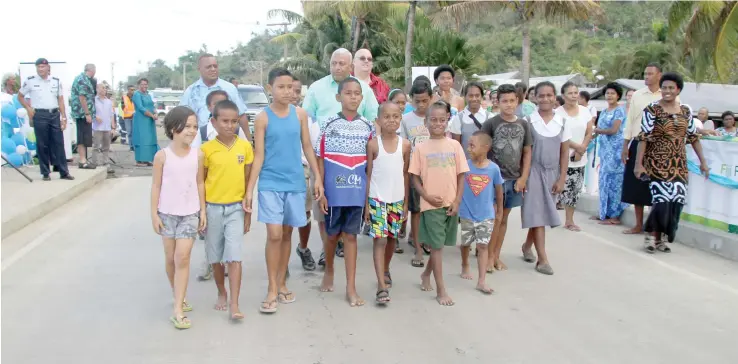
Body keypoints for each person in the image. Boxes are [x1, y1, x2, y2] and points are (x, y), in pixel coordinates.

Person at [245, 68, 323, 313]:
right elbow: (258, 157)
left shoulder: (300, 115)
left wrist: (318, 178)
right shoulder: (262, 119)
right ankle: (271, 288)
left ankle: (281, 283)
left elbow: (308, 148)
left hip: (295, 183)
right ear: (270, 88)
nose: (287, 91)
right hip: (270, 183)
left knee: (287, 233)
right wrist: (249, 189)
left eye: (291, 87)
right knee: (275, 234)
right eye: (281, 87)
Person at [302, 48, 379, 263]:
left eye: (342, 63)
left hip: (355, 160)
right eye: (334, 63)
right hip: (323, 159)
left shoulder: (363, 89)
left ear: (350, 66)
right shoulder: (317, 88)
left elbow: (374, 121)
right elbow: (306, 122)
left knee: (350, 208)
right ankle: (328, 248)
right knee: (323, 209)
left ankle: (343, 245)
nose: (337, 67)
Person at [314, 77, 373, 307]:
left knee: (350, 236)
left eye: (357, 93)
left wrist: (367, 198)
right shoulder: (329, 124)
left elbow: (370, 165)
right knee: (331, 235)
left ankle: (351, 287)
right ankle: (329, 269)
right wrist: (321, 189)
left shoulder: (368, 127)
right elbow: (320, 158)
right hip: (333, 191)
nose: (353, 97)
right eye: (348, 93)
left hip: (356, 193)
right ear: (339, 97)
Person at [634, 72, 709, 253]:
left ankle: (661, 238)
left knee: (675, 201)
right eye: (664, 88)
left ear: (678, 90)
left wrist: (703, 162)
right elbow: (643, 137)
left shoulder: (685, 111)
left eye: (671, 88)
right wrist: (639, 163)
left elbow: (693, 137)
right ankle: (651, 237)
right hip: (657, 162)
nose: (666, 91)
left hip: (679, 164)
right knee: (661, 201)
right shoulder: (652, 109)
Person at [150, 106, 204, 330]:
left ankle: (178, 309)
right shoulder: (162, 156)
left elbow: (200, 182)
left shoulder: (198, 154)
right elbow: (156, 185)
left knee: (183, 257)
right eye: (187, 126)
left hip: (190, 213)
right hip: (167, 214)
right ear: (174, 129)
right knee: (171, 258)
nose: (192, 131)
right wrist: (154, 214)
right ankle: (178, 294)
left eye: (194, 126)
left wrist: (203, 211)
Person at [410, 101, 469, 306]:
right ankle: (441, 289)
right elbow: (415, 178)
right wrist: (425, 196)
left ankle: (426, 274)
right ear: (426, 122)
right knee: (436, 247)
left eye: (442, 120)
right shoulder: (420, 148)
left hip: (451, 203)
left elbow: (461, 175)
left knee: (440, 244)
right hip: (431, 205)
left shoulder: (455, 145)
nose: (437, 123)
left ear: (447, 121)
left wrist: (458, 200)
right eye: (433, 120)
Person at [201, 99, 254, 320]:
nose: (230, 126)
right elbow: (200, 182)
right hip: (212, 209)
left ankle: (234, 302)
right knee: (215, 258)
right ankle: (221, 291)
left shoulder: (245, 147)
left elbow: (248, 180)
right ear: (213, 122)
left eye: (234, 121)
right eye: (224, 121)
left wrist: (247, 212)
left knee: (234, 257)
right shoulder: (205, 150)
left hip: (235, 208)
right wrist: (201, 213)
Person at [190, 90, 246, 281]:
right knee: (212, 242)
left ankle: (229, 264)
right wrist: (201, 207)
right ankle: (211, 263)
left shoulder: (239, 137)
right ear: (210, 110)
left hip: (234, 203)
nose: (229, 124)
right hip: (212, 203)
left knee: (233, 248)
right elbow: (199, 173)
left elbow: (246, 166)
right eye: (217, 104)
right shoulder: (204, 134)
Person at [520, 81, 570, 275]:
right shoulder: (528, 121)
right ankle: (542, 259)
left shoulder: (563, 122)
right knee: (537, 214)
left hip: (552, 174)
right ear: (534, 97)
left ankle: (527, 246)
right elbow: (525, 152)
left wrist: (562, 178)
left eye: (549, 95)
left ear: (555, 97)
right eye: (541, 95)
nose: (545, 99)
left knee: (541, 213)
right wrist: (523, 177)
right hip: (533, 172)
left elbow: (564, 153)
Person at [481, 84, 532, 272]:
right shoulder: (491, 124)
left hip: (514, 180)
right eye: (504, 101)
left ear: (517, 101)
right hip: (494, 181)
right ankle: (486, 257)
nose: (509, 105)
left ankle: (495, 256)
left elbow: (527, 152)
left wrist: (523, 177)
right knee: (494, 218)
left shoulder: (524, 124)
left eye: (512, 101)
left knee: (504, 219)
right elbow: (482, 150)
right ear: (498, 102)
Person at [365, 102, 411, 304]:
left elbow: (406, 175)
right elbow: (368, 175)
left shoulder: (406, 145)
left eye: (395, 116)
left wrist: (406, 203)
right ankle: (381, 286)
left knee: (392, 239)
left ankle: (385, 268)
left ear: (400, 119)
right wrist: (366, 204)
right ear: (378, 121)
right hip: (377, 198)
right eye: (387, 117)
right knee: (380, 239)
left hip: (397, 199)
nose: (391, 120)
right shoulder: (373, 145)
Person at [620, 63, 663, 235]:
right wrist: (626, 145)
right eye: (645, 73)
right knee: (636, 184)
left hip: (659, 146)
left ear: (659, 75)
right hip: (638, 142)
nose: (646, 76)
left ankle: (654, 227)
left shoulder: (667, 95)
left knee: (657, 186)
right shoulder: (637, 95)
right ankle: (638, 224)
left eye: (650, 74)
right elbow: (630, 121)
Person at [459, 131, 503, 292]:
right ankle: (464, 264)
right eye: (468, 145)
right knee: (465, 243)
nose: (468, 148)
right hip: (466, 213)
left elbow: (499, 191)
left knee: (482, 245)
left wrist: (499, 212)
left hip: (486, 215)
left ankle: (481, 280)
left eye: (472, 145)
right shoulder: (465, 166)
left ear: (485, 148)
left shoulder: (493, 169)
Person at [17, 58, 74, 181]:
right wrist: (28, 107)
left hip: (54, 114)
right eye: (38, 67)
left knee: (59, 143)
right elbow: (20, 96)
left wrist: (63, 117)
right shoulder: (30, 81)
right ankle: (45, 173)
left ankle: (64, 172)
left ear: (48, 68)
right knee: (42, 144)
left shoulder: (56, 81)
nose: (40, 69)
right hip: (40, 115)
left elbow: (60, 100)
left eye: (42, 67)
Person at [180, 54, 250, 141]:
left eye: (215, 66)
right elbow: (181, 119)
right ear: (199, 69)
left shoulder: (230, 89)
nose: (213, 69)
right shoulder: (191, 91)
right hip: (198, 141)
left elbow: (242, 116)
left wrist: (249, 141)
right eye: (208, 67)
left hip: (227, 141)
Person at [401, 79, 433, 268]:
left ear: (430, 98)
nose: (421, 105)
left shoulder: (436, 116)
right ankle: (418, 249)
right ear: (411, 100)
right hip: (415, 170)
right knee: (417, 210)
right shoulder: (406, 120)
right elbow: (405, 147)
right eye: (417, 101)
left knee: (431, 208)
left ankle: (428, 239)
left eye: (424, 101)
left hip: (434, 171)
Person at [556, 82, 593, 232]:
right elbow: (558, 134)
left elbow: (589, 131)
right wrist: (576, 147)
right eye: (570, 93)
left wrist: (582, 147)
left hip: (580, 157)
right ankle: (547, 217)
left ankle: (569, 220)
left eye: (575, 92)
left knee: (574, 190)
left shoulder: (585, 111)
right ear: (563, 95)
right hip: (562, 156)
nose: (573, 96)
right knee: (558, 187)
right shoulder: (558, 113)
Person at [295, 76, 322, 271]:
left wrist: (317, 176)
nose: (291, 94)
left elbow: (312, 149)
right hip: (279, 173)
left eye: (296, 90)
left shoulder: (308, 118)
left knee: (304, 214)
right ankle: (279, 262)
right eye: (285, 88)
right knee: (280, 222)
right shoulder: (266, 117)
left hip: (303, 170)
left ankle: (303, 248)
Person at [591, 82, 628, 225]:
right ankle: (604, 213)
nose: (609, 96)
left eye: (612, 93)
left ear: (618, 95)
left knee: (615, 184)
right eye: (607, 93)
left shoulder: (620, 111)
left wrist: (597, 130)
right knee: (604, 181)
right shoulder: (605, 111)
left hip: (616, 152)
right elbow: (598, 129)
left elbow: (614, 130)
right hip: (605, 152)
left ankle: (615, 216)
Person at [449, 82, 491, 159]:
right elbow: (457, 146)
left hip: (486, 165)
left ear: (482, 97)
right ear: (465, 97)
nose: (474, 99)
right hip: (466, 165)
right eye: (470, 96)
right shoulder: (459, 118)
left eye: (477, 95)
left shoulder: (490, 117)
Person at [70, 64, 97, 169]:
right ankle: (82, 160)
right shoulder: (82, 80)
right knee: (82, 136)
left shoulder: (86, 79)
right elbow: (82, 98)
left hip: (84, 113)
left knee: (86, 137)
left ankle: (84, 159)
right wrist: (87, 113)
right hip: (82, 113)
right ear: (92, 70)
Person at [131, 78, 160, 166]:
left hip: (149, 121)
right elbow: (140, 107)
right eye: (142, 84)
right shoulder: (136, 94)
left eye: (146, 84)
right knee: (142, 139)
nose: (144, 86)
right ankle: (139, 160)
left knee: (149, 139)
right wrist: (151, 115)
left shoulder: (148, 95)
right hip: (141, 120)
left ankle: (147, 159)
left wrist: (155, 112)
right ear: (139, 85)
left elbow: (152, 105)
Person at [92, 83, 116, 174]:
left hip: (107, 127)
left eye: (105, 88)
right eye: (101, 88)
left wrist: (113, 127)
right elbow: (91, 112)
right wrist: (95, 117)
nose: (103, 90)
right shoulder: (94, 100)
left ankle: (105, 163)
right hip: (97, 127)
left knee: (106, 147)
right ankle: (95, 163)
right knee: (96, 146)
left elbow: (111, 115)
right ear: (97, 89)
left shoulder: (109, 102)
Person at [121, 85, 136, 150]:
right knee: (129, 132)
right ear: (128, 90)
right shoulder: (124, 97)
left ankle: (135, 145)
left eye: (133, 90)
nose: (132, 91)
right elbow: (122, 107)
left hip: (135, 117)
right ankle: (131, 146)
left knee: (134, 132)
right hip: (127, 117)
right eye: (131, 90)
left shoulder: (135, 97)